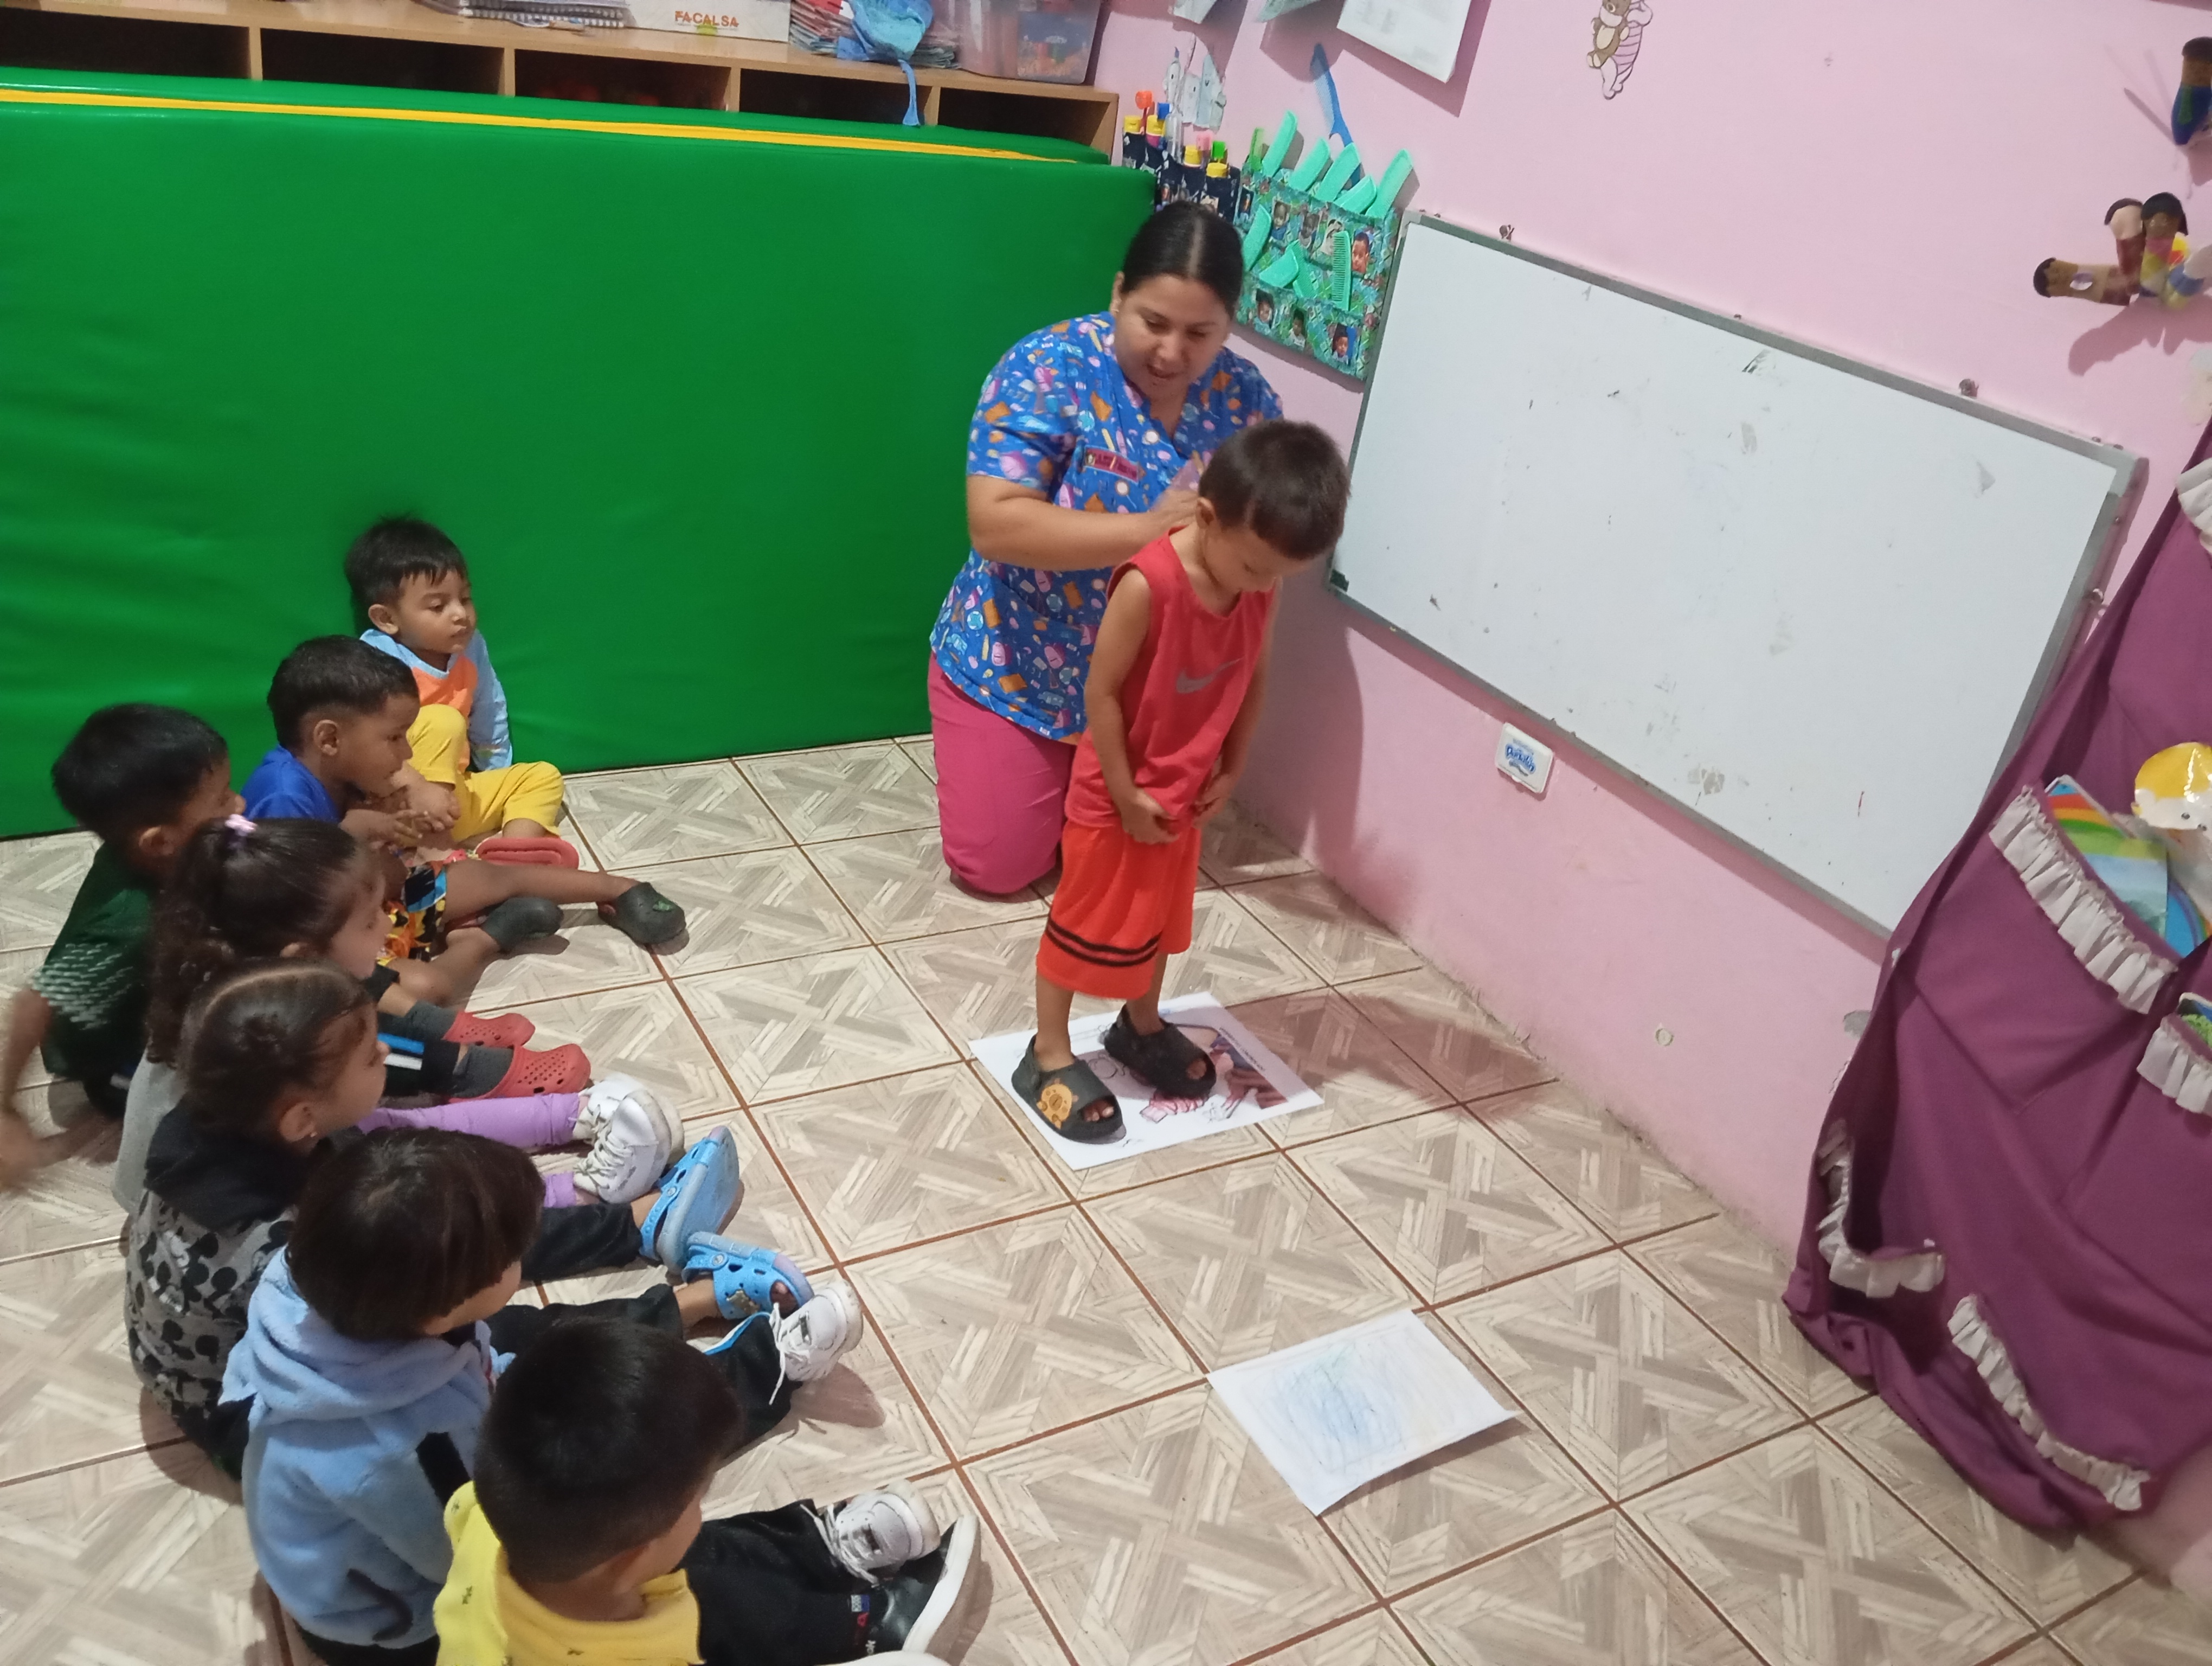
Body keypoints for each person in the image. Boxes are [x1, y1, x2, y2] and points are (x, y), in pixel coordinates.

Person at [223, 1130, 864, 1665]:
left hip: (440, 1412)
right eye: (515, 1253)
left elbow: (486, 1358)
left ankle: (685, 1307)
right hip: (403, 1628)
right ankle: (771, 1380)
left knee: (560, 1348)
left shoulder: (330, 1280)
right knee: (638, 1509)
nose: (528, 1251)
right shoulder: (399, 1456)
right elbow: (500, 1552)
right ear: (439, 1312)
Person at [125, 963, 756, 1474]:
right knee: (488, 1332)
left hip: (271, 1341)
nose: (387, 1054)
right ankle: (677, 1306)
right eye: (371, 1057)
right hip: (255, 1424)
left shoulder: (223, 1129)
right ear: (301, 1117)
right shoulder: (276, 1242)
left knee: (456, 1235)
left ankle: (635, 1226)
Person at [927, 201, 1283, 896]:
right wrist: (1150, 530)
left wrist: (1232, 723)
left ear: (1229, 326)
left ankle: (1078, 781)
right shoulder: (1048, 367)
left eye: (1200, 333)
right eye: (1154, 322)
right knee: (998, 867)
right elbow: (995, 525)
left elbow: (1261, 571)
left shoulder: (1247, 402)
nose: (1172, 353)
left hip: (1153, 685)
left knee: (1138, 856)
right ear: (1119, 294)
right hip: (1020, 661)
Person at [1013, 421, 1349, 1138]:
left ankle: (1139, 1026)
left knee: (1159, 925)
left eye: (1278, 575)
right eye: (1253, 567)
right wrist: (1125, 792)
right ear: (1206, 516)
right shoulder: (1149, 585)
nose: (1262, 585)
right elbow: (1102, 693)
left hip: (1185, 794)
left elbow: (1254, 675)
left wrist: (1233, 764)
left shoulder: (1258, 587)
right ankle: (1047, 1052)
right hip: (1115, 797)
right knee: (1081, 924)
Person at [111, 816, 611, 1210]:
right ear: (305, 954)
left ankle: (517, 1097)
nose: (386, 927)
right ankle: (469, 1075)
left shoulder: (264, 987)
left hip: (266, 1148)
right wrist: (583, 1204)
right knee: (398, 1164)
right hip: (242, 1200)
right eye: (371, 920)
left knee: (383, 1085)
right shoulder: (275, 1046)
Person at [439, 1317, 978, 1665]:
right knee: (716, 1594)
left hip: (563, 1612)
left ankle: (812, 1550)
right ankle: (868, 1627)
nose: (700, 1506)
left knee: (693, 1552)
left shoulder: (480, 1512)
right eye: (697, 1498)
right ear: (631, 1562)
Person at [241, 637, 686, 989]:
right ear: (329, 740)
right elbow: (299, 920)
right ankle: (483, 940)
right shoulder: (283, 798)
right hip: (337, 945)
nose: (407, 752)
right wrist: (359, 839)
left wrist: (393, 832)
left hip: (380, 906)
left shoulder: (344, 772)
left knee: (482, 874)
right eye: (394, 738)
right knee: (423, 988)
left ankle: (618, 889)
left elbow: (390, 875)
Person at [1, 704, 238, 1181]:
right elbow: (35, 1005)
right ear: (159, 843)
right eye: (221, 801)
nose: (240, 805)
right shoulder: (127, 928)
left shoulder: (151, 856)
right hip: (116, 1063)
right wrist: (5, 1109)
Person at [347, 515, 573, 864]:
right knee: (443, 721)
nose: (460, 615)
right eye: (438, 606)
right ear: (387, 619)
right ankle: (434, 854)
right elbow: (364, 742)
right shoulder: (377, 656)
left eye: (465, 599)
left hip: (452, 798)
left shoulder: (471, 647)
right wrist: (415, 786)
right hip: (400, 804)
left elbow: (489, 708)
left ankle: (510, 858)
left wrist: (495, 770)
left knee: (542, 776)